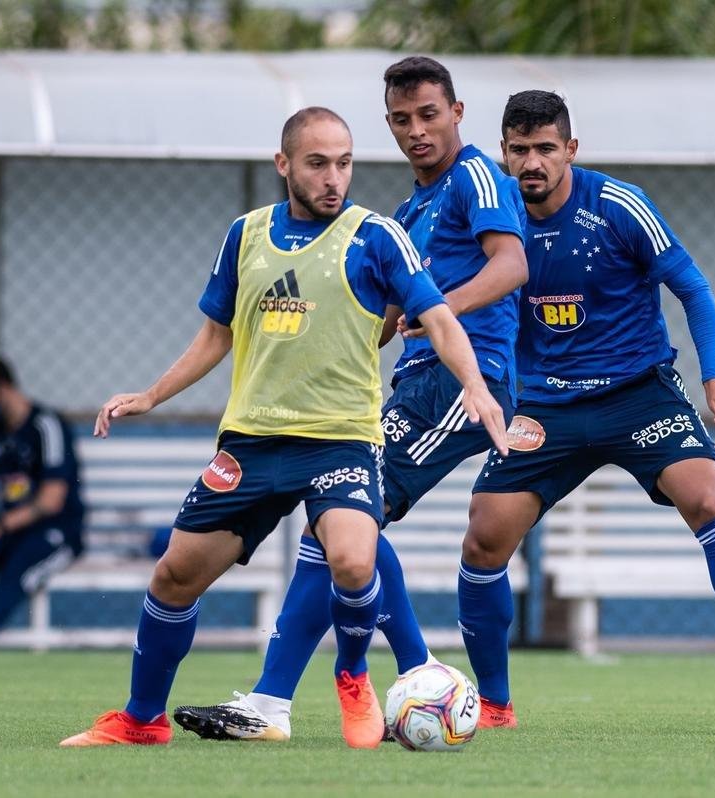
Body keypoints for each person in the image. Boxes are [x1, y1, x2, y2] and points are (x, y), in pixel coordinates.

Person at [59, 106, 509, 749]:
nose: (334, 178)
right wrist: (151, 395)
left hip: (340, 440)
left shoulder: (376, 237)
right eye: (318, 163)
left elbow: (437, 317)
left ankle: (352, 675)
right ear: (285, 165)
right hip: (251, 443)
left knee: (354, 559)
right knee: (173, 576)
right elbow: (216, 335)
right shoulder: (244, 236)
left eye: (345, 163)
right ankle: (141, 720)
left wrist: (473, 386)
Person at [172, 55, 527, 742]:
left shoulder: (478, 174)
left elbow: (512, 265)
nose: (417, 130)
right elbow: (391, 307)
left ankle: (279, 700)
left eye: (429, 115)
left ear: (456, 113)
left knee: (345, 520)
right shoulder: (409, 207)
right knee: (348, 528)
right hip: (414, 381)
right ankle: (412, 668)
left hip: (461, 379)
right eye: (401, 119)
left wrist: (434, 315)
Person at [447, 89, 715, 733]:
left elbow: (693, 286)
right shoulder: (490, 219)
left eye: (546, 149)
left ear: (571, 150)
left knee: (709, 498)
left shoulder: (617, 205)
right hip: (546, 406)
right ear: (503, 153)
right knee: (483, 538)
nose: (533, 162)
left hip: (638, 394)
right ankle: (497, 704)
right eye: (520, 150)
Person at [0, 355, 85, 648]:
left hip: (58, 530)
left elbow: (52, 500)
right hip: (12, 528)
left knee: (20, 569)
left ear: (2, 386)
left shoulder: (45, 426)